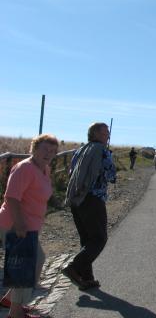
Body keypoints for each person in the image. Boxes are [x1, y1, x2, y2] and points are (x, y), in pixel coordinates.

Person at [0, 133, 58, 318]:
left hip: (30, 225)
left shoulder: (44, 169)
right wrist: (19, 225)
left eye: (52, 150)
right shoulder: (24, 168)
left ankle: (10, 299)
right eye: (45, 149)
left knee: (36, 261)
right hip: (15, 224)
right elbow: (11, 197)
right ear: (34, 149)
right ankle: (15, 313)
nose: (48, 153)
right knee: (24, 267)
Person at [63, 122, 117, 291]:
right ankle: (74, 267)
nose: (107, 136)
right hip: (93, 198)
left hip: (77, 197)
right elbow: (111, 174)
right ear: (94, 135)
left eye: (107, 133)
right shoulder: (102, 151)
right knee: (99, 238)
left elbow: (71, 171)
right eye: (104, 133)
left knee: (87, 239)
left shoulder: (80, 150)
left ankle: (86, 278)